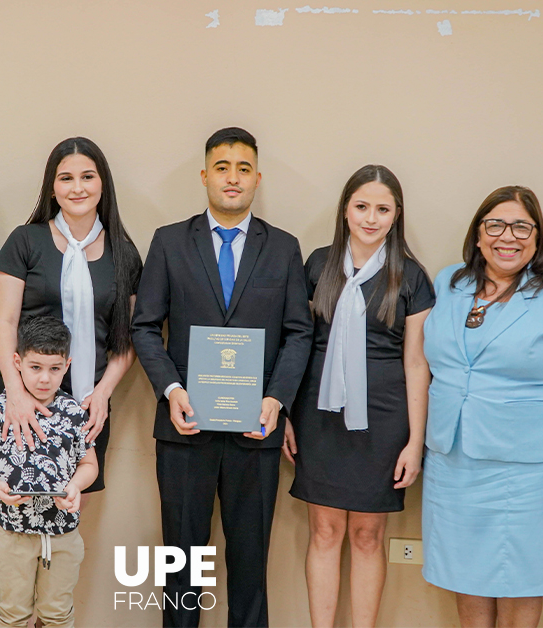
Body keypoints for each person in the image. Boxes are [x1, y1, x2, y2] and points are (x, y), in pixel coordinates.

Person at [131, 127, 313, 627]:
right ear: (205, 175)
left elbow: (300, 333)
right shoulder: (169, 242)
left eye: (244, 168)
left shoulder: (283, 248)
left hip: (257, 429)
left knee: (250, 566)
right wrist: (171, 390)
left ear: (258, 178)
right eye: (223, 168)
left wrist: (276, 399)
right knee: (182, 565)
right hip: (185, 428)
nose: (233, 178)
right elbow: (144, 326)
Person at [420, 186, 543, 628]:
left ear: (537, 237)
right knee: (466, 573)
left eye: (522, 226)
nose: (509, 236)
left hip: (530, 470)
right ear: (479, 235)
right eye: (496, 225)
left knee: (524, 575)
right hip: (454, 460)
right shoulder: (449, 283)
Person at [287, 165, 433, 627]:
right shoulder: (316, 264)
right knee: (325, 531)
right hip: (319, 415)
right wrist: (287, 414)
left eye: (383, 209)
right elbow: (295, 343)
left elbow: (416, 363)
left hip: (384, 420)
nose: (371, 218)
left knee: (369, 535)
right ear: (345, 210)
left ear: (396, 215)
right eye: (362, 206)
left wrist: (414, 441)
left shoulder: (410, 276)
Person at [0, 137, 141, 500]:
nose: (78, 188)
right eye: (66, 178)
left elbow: (126, 339)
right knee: (18, 506)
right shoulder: (26, 241)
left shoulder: (124, 253)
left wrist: (103, 394)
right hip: (23, 396)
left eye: (87, 177)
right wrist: (16, 394)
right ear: (52, 188)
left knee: (71, 509)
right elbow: (3, 323)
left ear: (102, 184)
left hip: (88, 405)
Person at [0, 315, 98, 628]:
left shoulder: (73, 412)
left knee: (57, 613)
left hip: (63, 532)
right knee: (13, 612)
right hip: (13, 532)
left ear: (67, 365)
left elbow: (89, 464)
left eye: (54, 369)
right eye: (35, 367)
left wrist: (76, 487)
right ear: (17, 362)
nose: (44, 378)